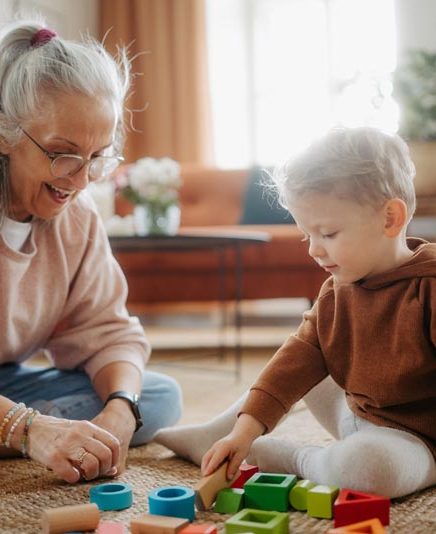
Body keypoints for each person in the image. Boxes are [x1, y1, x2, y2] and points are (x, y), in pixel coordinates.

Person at [0, 20, 182, 517]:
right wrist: (26, 429)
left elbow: (108, 331)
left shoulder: (79, 215)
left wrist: (118, 412)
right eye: (63, 153)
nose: (81, 178)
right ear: (5, 132)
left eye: (98, 156)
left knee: (152, 397)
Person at [154, 127, 436, 499]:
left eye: (328, 234)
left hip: (414, 441)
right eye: (307, 236)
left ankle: (297, 458)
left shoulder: (428, 286)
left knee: (370, 471)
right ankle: (222, 432)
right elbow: (294, 362)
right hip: (356, 413)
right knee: (297, 364)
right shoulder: (338, 288)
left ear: (390, 219)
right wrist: (245, 431)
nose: (314, 251)